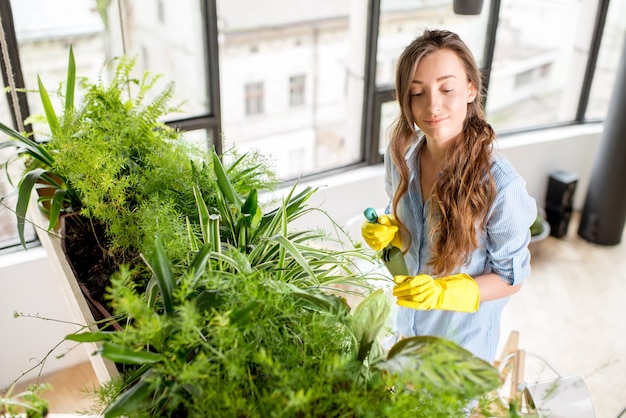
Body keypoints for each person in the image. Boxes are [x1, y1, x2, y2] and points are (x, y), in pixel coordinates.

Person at [362, 29, 536, 364]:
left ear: (471, 88)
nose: (432, 105)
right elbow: (406, 228)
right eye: (417, 93)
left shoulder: (502, 187)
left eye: (447, 88)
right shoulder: (401, 157)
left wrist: (446, 291)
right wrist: (389, 232)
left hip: (459, 349)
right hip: (407, 328)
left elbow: (510, 277)